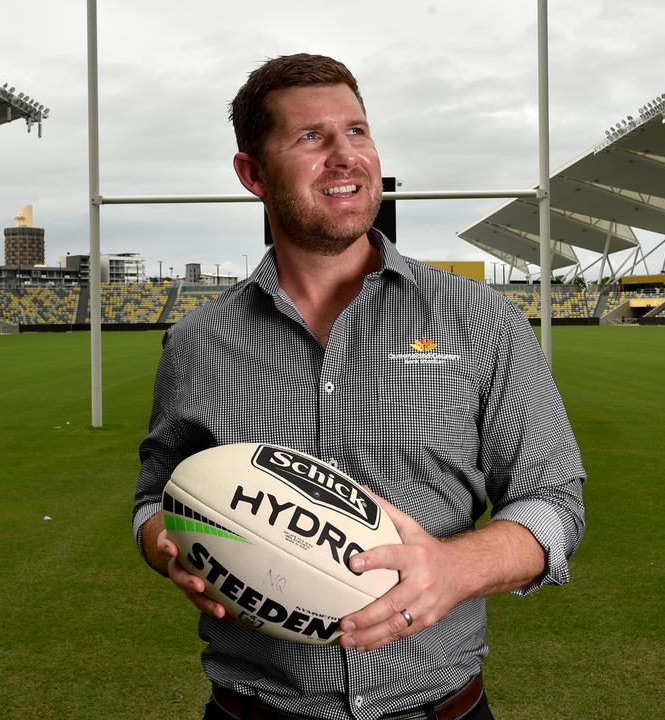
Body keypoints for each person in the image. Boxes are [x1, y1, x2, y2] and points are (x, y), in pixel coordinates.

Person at [133, 53, 586, 720]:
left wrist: (454, 569)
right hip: (252, 708)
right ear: (253, 174)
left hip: (441, 707)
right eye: (311, 137)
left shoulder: (483, 320)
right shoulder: (200, 342)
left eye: (357, 131)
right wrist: (166, 545)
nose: (346, 156)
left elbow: (554, 501)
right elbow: (154, 497)